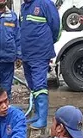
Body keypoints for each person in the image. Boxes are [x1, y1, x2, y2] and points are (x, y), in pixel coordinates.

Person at [19, 0, 60, 130]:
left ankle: (42, 118)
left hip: (40, 52)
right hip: (27, 53)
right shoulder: (24, 7)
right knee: (32, 85)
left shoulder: (45, 3)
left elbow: (56, 27)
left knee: (39, 84)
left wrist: (47, 41)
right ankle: (37, 114)